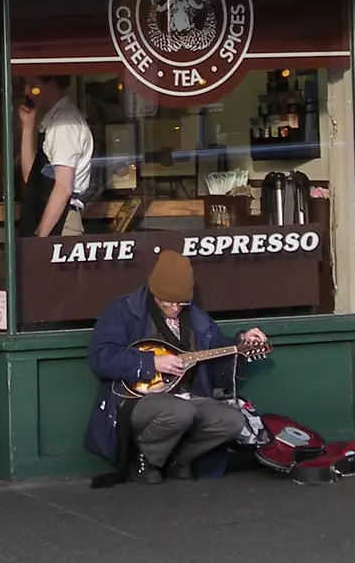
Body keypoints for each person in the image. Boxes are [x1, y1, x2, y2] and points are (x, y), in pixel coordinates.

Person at [84, 251, 268, 484]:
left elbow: (218, 354)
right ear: (154, 290)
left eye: (180, 302)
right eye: (166, 301)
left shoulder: (197, 318)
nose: (173, 307)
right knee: (180, 412)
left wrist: (241, 343)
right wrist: (151, 363)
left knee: (232, 421)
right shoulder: (124, 311)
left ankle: (178, 461)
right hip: (137, 400)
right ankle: (144, 458)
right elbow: (100, 358)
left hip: (187, 396)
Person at [17, 75, 94, 238]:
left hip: (61, 222)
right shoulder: (52, 121)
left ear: (51, 84)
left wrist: (40, 238)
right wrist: (28, 127)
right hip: (48, 216)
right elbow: (31, 177)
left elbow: (63, 187)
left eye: (34, 86)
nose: (28, 92)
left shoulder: (64, 124)